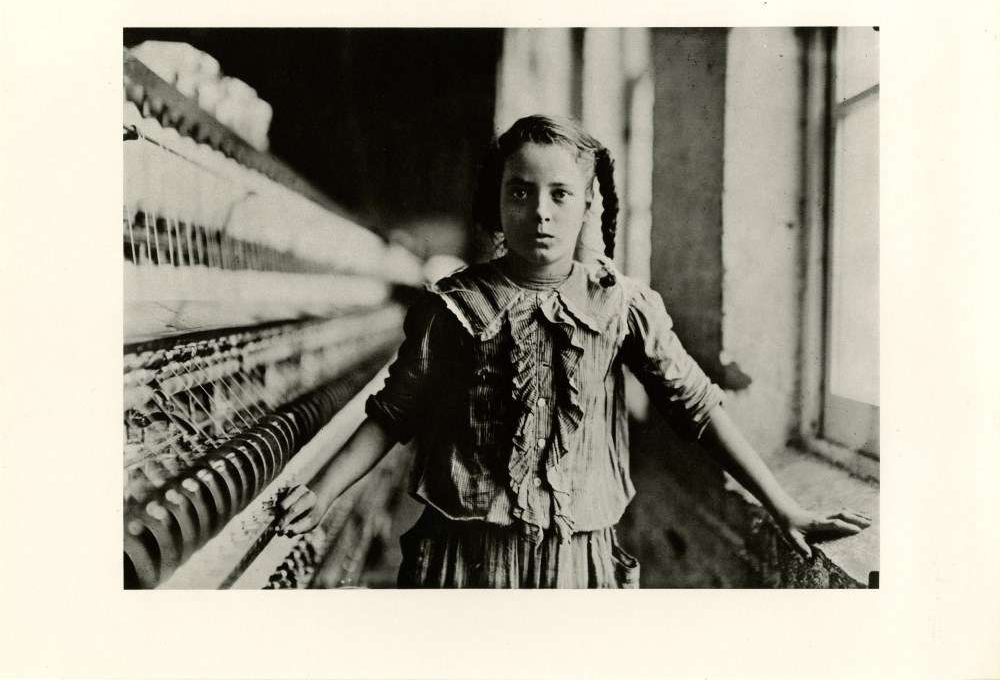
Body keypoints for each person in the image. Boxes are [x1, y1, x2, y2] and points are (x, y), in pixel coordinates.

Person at [275, 114, 871, 588]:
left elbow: (698, 407)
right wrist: (322, 494)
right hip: (465, 560)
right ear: (497, 203)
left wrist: (783, 505)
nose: (540, 211)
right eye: (521, 192)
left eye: (561, 194)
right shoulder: (452, 305)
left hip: (575, 561)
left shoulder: (622, 307)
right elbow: (391, 414)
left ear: (589, 203)